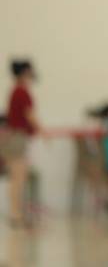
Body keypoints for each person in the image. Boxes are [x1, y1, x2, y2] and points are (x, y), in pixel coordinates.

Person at [0, 60, 40, 228]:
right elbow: (29, 115)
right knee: (18, 177)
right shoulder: (21, 91)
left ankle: (16, 213)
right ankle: (15, 214)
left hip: (15, 138)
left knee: (17, 178)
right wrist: (42, 131)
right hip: (17, 138)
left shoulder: (16, 91)